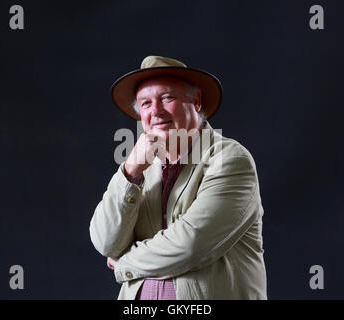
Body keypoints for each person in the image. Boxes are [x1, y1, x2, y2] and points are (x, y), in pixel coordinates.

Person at [89, 55, 267, 299]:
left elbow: (191, 245)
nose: (156, 111)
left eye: (167, 98)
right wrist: (130, 172)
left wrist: (124, 262)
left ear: (196, 101)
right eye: (146, 103)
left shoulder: (230, 159)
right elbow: (106, 242)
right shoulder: (141, 168)